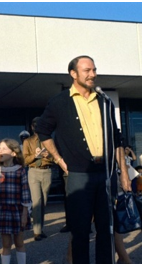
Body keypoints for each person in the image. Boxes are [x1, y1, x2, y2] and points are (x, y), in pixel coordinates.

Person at [35, 55, 129, 264]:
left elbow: (117, 138)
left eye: (94, 70)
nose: (93, 74)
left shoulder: (104, 101)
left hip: (105, 173)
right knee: (80, 231)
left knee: (107, 229)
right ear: (73, 74)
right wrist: (59, 160)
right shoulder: (59, 102)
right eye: (87, 70)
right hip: (78, 175)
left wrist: (122, 174)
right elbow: (43, 131)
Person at [0, 139, 32, 264]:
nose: (0, 151)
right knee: (6, 244)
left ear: (14, 153)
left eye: (4, 149)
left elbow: (25, 193)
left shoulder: (20, 170)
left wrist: (25, 213)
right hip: (2, 210)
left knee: (19, 242)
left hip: (17, 210)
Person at [22, 117, 57, 241]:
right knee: (36, 200)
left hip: (47, 171)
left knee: (44, 201)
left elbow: (55, 158)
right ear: (32, 127)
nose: (37, 128)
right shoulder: (27, 141)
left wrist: (49, 156)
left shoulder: (48, 140)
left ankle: (40, 228)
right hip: (33, 172)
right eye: (35, 125)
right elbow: (24, 160)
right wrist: (35, 155)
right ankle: (36, 231)